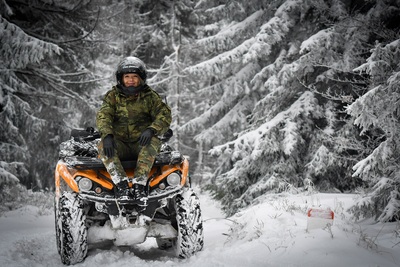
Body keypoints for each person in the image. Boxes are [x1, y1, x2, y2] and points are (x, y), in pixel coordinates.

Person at [96, 56, 172, 206]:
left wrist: (151, 130)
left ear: (141, 78)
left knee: (153, 142)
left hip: (142, 144)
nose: (131, 80)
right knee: (102, 146)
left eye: (134, 77)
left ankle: (139, 186)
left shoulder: (151, 97)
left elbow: (164, 115)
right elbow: (103, 116)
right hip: (120, 144)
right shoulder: (112, 96)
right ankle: (122, 186)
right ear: (121, 79)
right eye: (127, 77)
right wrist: (107, 135)